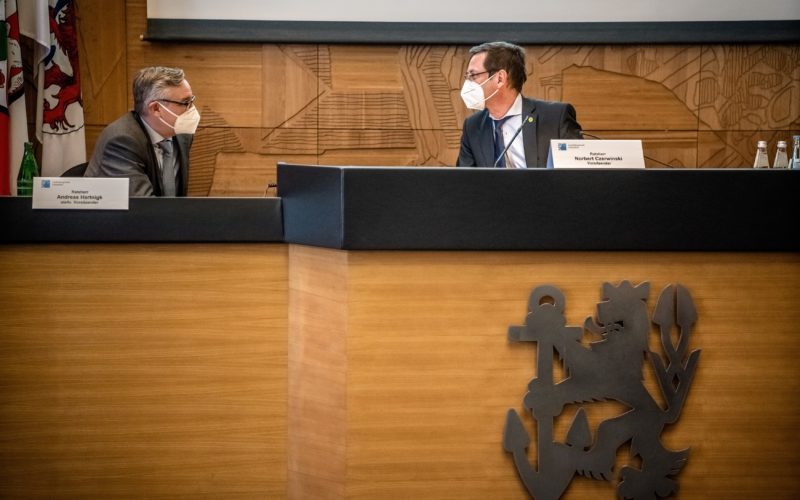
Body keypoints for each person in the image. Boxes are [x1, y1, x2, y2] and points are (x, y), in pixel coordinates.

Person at [457, 42, 582, 168]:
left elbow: (576, 177)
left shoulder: (556, 118)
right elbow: (463, 182)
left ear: (500, 78)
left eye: (473, 75)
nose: (467, 83)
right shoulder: (473, 126)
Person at [84, 66, 200, 196]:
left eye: (191, 101)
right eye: (185, 103)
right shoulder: (121, 141)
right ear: (156, 108)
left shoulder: (181, 133)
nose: (191, 109)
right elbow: (142, 207)